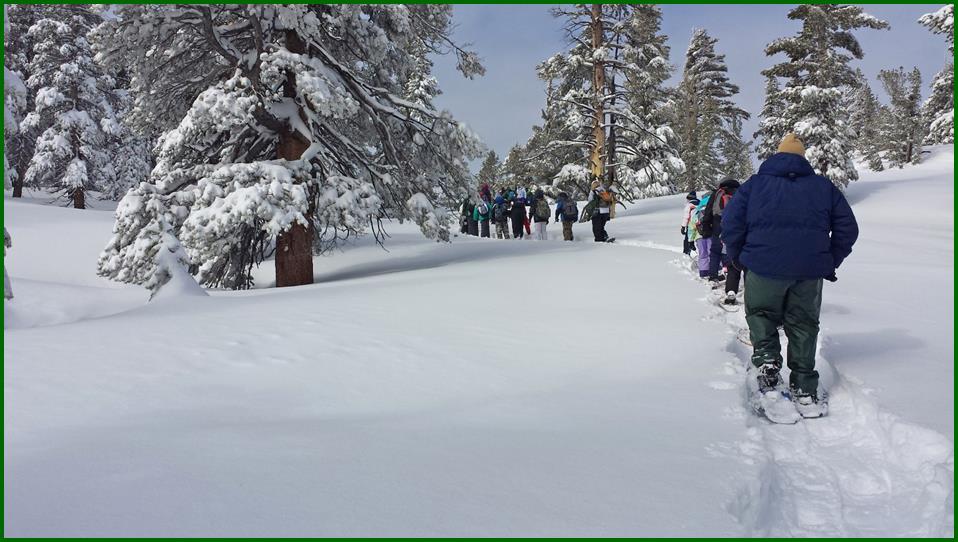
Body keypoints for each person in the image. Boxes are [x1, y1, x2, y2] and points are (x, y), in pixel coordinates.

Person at [721, 133, 859, 418]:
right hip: (808, 273)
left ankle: (769, 370)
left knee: (761, 315)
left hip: (762, 267)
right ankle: (805, 386)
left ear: (778, 155)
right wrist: (829, 259)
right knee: (804, 323)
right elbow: (848, 229)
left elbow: (731, 223)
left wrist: (737, 256)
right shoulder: (823, 187)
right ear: (803, 157)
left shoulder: (754, 185)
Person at [704, 178, 741, 284]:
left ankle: (713, 276)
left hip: (718, 223)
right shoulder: (740, 193)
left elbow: (709, 210)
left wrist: (706, 226)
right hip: (735, 223)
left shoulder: (716, 193)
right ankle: (732, 277)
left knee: (715, 251)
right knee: (732, 249)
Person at [687, 192, 712, 278]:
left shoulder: (697, 212)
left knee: (702, 254)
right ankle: (716, 269)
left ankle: (704, 271)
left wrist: (690, 240)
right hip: (711, 236)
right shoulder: (711, 210)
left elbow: (691, 228)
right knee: (712, 252)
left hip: (699, 237)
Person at [681, 191, 699, 255]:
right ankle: (698, 252)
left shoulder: (689, 205)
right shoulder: (700, 203)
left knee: (688, 239)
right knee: (698, 238)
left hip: (691, 224)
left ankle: (686, 252)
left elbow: (686, 217)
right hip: (699, 224)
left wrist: (683, 227)